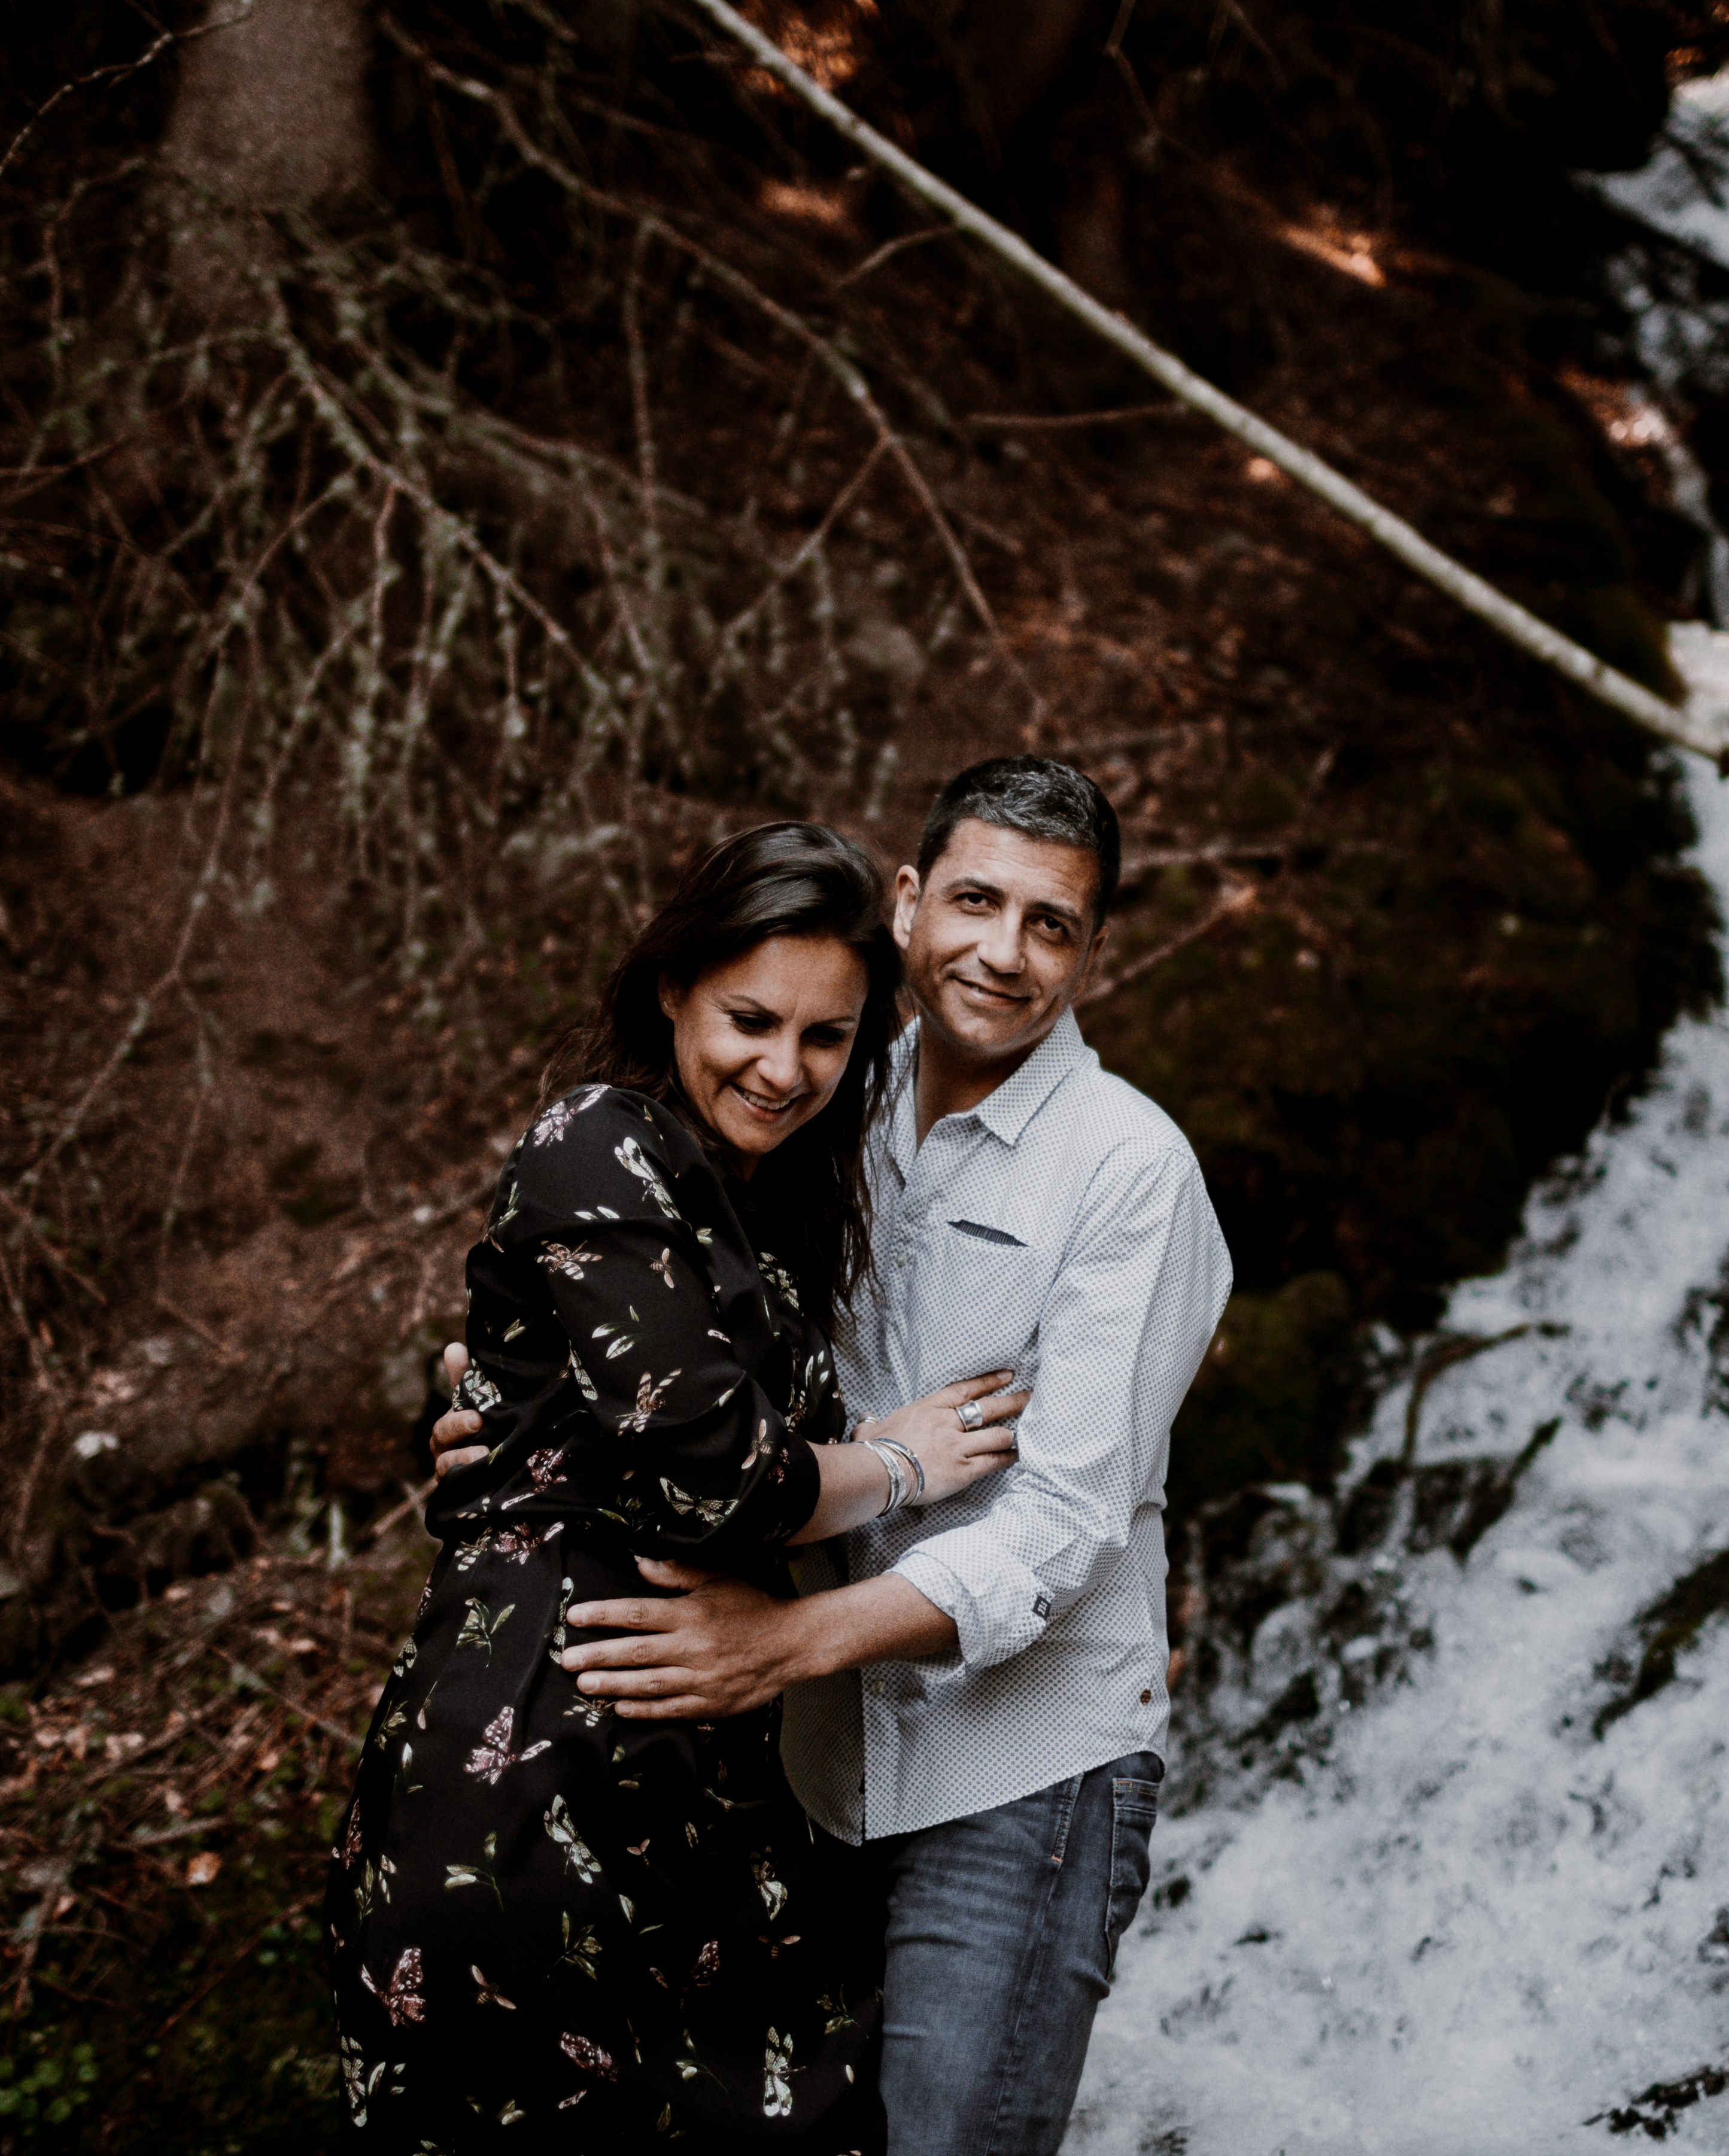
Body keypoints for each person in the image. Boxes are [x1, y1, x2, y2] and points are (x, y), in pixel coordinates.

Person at [438, 758, 1233, 2156]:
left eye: (1052, 923)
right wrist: (490, 1402)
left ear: (1092, 952)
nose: (1005, 949)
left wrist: (781, 1643)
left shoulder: (1132, 1173)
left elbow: (1064, 1519)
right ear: (912, 902)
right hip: (800, 1779)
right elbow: (677, 1340)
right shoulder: (819, 1093)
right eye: (977, 900)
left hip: (1020, 1776)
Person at [327, 821, 1029, 2152]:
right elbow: (716, 1475)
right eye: (750, 1020)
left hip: (701, 1807)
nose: (784, 1069)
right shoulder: (603, 1138)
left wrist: (511, 1402)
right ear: (671, 988)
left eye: (826, 1039)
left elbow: (628, 1411)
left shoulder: (757, 1211)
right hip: (537, 1785)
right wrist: (895, 1462)